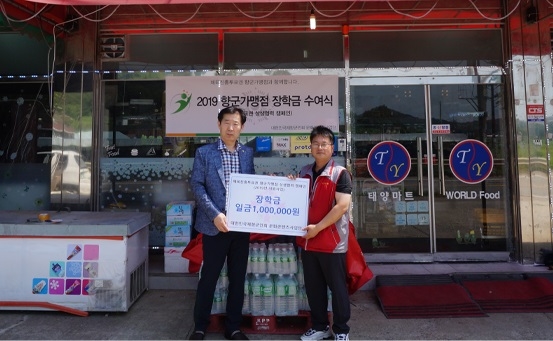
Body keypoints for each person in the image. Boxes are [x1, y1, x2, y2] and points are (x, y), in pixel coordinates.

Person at [189, 106, 254, 341]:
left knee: (238, 278)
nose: (231, 127)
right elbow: (197, 185)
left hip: (240, 227)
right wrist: (215, 215)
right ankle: (199, 326)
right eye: (227, 122)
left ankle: (233, 327)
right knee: (209, 277)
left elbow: (252, 185)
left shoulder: (246, 153)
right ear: (218, 124)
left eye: (236, 123)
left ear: (242, 127)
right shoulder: (205, 153)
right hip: (214, 226)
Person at [294, 125, 352, 341]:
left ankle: (341, 330)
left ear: (332, 147)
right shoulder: (304, 172)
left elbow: (342, 207)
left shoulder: (340, 174)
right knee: (314, 288)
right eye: (316, 143)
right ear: (310, 147)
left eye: (324, 144)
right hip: (308, 243)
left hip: (331, 243)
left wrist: (317, 228)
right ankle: (320, 326)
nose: (320, 147)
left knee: (337, 289)